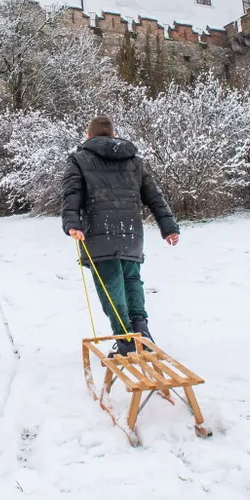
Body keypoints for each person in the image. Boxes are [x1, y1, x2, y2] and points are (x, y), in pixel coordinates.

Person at [61, 114, 179, 356]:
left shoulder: (79, 159)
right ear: (114, 135)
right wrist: (168, 226)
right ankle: (141, 331)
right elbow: (154, 196)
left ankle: (126, 340)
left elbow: (72, 193)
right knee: (132, 281)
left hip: (97, 232)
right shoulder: (134, 160)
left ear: (89, 136)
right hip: (131, 233)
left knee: (110, 286)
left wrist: (73, 223)